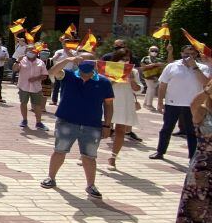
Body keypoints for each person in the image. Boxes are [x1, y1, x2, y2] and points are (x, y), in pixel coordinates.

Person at [41, 54, 114, 198]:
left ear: (95, 63)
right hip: (66, 122)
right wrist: (68, 60)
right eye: (81, 60)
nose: (84, 63)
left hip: (92, 125)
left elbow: (109, 105)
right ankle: (51, 177)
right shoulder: (68, 76)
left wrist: (107, 125)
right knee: (59, 151)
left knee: (89, 157)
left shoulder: (104, 82)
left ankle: (90, 185)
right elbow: (51, 72)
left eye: (88, 60)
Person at [174, 75, 212, 223]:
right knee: (197, 208)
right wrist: (206, 90)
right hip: (203, 168)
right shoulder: (203, 110)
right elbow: (192, 104)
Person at [150, 45, 210, 161]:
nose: (189, 57)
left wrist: (194, 67)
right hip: (172, 103)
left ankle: (193, 155)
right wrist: (160, 102)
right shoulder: (172, 66)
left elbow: (206, 83)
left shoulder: (203, 68)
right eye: (186, 54)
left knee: (192, 131)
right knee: (166, 128)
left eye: (192, 54)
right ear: (181, 53)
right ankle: (160, 151)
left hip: (192, 105)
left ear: (196, 55)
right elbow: (163, 85)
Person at [105, 47, 142, 170]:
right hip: (109, 103)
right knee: (101, 129)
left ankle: (113, 158)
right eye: (122, 59)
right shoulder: (108, 69)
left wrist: (130, 78)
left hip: (125, 103)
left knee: (120, 130)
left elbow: (138, 89)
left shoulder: (134, 72)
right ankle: (88, 154)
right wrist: (116, 77)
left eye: (127, 59)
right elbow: (103, 85)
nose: (125, 61)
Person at [15, 45, 48, 130]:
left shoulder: (40, 62)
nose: (31, 53)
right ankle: (24, 120)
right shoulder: (22, 60)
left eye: (32, 51)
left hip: (36, 87)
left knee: (37, 105)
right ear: (26, 52)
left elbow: (45, 76)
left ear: (36, 52)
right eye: (29, 51)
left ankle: (39, 122)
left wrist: (36, 78)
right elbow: (15, 69)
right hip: (23, 86)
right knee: (23, 103)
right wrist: (17, 61)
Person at [141, 43, 170, 111]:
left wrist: (160, 65)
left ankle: (146, 103)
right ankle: (149, 105)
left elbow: (165, 64)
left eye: (156, 51)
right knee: (151, 89)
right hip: (148, 76)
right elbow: (143, 66)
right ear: (149, 51)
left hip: (156, 77)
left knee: (149, 89)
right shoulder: (145, 58)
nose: (154, 52)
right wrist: (155, 64)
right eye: (152, 50)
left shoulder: (158, 59)